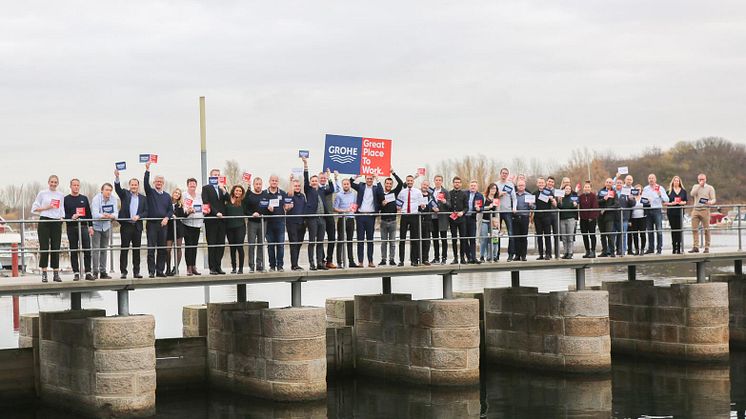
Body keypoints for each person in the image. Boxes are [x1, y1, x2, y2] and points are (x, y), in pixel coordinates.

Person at [32, 175, 66, 283]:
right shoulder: (42, 193)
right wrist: (47, 208)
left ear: (58, 183)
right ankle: (44, 273)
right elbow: (34, 209)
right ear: (48, 182)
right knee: (44, 247)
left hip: (56, 222)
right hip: (44, 221)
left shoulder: (60, 195)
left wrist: (61, 218)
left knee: (56, 247)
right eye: (52, 182)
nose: (53, 184)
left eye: (55, 182)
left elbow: (61, 209)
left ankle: (56, 273)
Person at [115, 169, 148, 279]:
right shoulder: (124, 194)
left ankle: (136, 272)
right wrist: (117, 177)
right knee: (124, 249)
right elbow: (117, 189)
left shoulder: (143, 198)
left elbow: (146, 211)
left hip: (137, 227)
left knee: (136, 250)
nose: (134, 186)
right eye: (132, 185)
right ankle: (123, 272)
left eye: (135, 185)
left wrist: (139, 216)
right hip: (126, 226)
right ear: (129, 186)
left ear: (138, 186)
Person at [143, 162, 173, 278]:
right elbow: (145, 183)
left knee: (162, 249)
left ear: (163, 183)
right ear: (154, 183)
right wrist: (147, 170)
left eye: (160, 182)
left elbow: (170, 210)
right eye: (157, 182)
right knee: (151, 249)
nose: (159, 183)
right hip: (151, 224)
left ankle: (160, 270)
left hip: (163, 224)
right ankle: (151, 271)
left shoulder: (167, 196)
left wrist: (167, 218)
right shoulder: (150, 193)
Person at [350, 174, 382, 268]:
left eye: (371, 179)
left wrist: (377, 179)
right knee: (360, 239)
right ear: (365, 179)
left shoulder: (376, 188)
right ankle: (360, 261)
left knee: (370, 240)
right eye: (368, 178)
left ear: (373, 179)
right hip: (360, 215)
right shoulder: (361, 185)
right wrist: (355, 176)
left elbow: (381, 193)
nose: (369, 180)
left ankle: (370, 261)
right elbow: (351, 183)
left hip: (371, 216)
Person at [63, 178, 93, 281]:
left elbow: (89, 213)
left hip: (84, 227)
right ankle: (76, 272)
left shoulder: (84, 198)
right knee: (74, 250)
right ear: (70, 186)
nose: (76, 187)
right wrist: (71, 217)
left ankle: (88, 272)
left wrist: (91, 226)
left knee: (87, 249)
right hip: (72, 227)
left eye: (77, 185)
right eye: (74, 185)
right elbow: (63, 214)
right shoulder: (66, 199)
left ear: (79, 186)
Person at [302, 158, 328, 271]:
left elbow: (331, 188)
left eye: (315, 181)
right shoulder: (308, 189)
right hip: (312, 219)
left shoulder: (321, 190)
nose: (313, 182)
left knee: (320, 242)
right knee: (312, 241)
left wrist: (329, 176)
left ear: (318, 182)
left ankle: (320, 262)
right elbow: (305, 178)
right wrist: (306, 165)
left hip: (322, 219)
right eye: (312, 181)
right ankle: (312, 263)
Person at [202, 169, 228, 275]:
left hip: (222, 220)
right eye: (214, 175)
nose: (216, 177)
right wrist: (216, 213)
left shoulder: (223, 188)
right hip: (211, 219)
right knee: (212, 244)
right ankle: (212, 268)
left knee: (221, 244)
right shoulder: (206, 188)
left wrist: (224, 190)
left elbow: (229, 199)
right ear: (210, 177)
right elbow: (206, 202)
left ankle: (218, 266)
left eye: (218, 175)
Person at [90, 182, 118, 279]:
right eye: (106, 190)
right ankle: (95, 272)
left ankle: (103, 272)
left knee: (104, 249)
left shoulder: (113, 199)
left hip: (106, 226)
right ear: (102, 190)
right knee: (95, 250)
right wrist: (105, 216)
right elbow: (95, 214)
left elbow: (116, 214)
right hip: (96, 227)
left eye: (110, 190)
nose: (108, 192)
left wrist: (110, 216)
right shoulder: (96, 199)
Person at [397, 175, 424, 266]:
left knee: (414, 239)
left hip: (414, 216)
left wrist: (423, 206)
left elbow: (421, 204)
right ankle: (401, 260)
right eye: (408, 181)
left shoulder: (418, 192)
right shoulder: (402, 192)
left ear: (413, 181)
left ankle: (414, 260)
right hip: (404, 216)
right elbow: (399, 204)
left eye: (411, 181)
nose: (409, 182)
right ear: (406, 181)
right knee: (402, 238)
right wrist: (398, 208)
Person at [377, 172, 403, 266]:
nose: (388, 185)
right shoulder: (380, 194)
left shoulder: (394, 193)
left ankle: (391, 259)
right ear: (384, 184)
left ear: (391, 185)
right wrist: (381, 204)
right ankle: (383, 259)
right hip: (383, 221)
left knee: (392, 242)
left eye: (390, 184)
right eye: (387, 183)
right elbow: (378, 207)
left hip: (393, 221)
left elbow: (400, 183)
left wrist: (393, 173)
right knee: (384, 243)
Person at [265, 175, 288, 271]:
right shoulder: (264, 194)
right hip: (268, 223)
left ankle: (280, 266)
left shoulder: (282, 193)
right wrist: (267, 208)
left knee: (281, 245)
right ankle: (272, 266)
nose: (274, 182)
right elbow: (260, 206)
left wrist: (287, 207)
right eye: (272, 180)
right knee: (270, 246)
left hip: (280, 222)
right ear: (269, 181)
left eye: (276, 181)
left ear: (278, 182)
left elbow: (287, 205)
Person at [244, 177, 267, 272]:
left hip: (263, 222)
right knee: (251, 244)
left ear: (262, 184)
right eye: (256, 184)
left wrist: (270, 209)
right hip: (252, 223)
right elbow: (245, 210)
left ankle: (259, 264)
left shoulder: (266, 195)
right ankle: (251, 265)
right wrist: (251, 214)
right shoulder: (249, 195)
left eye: (260, 184)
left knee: (261, 244)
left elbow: (269, 209)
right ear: (254, 185)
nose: (258, 186)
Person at [333, 178, 358, 268]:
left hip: (351, 219)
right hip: (342, 219)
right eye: (344, 184)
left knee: (350, 241)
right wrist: (344, 211)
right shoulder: (339, 195)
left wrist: (352, 210)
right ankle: (339, 262)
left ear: (350, 185)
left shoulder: (354, 194)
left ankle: (351, 261)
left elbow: (354, 206)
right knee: (340, 240)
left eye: (347, 184)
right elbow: (335, 208)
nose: (346, 185)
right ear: (342, 185)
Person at [642, 174, 670, 254]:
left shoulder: (660, 188)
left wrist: (660, 195)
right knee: (650, 230)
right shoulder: (645, 188)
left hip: (657, 210)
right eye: (649, 178)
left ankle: (659, 248)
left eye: (652, 178)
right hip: (648, 209)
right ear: (648, 180)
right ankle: (651, 248)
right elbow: (642, 200)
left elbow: (667, 200)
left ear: (655, 179)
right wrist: (646, 201)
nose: (651, 179)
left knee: (659, 230)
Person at [689, 173, 716, 253]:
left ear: (706, 179)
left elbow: (714, 199)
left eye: (702, 179)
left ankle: (707, 247)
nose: (701, 181)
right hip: (696, 210)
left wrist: (710, 202)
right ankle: (695, 247)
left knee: (706, 230)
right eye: (699, 179)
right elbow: (692, 194)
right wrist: (699, 186)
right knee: (694, 229)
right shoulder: (695, 186)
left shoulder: (710, 188)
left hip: (705, 210)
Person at [181, 178, 204, 276]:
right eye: (191, 185)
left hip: (197, 224)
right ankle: (189, 267)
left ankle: (194, 266)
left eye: (194, 185)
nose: (192, 187)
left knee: (195, 246)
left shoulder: (199, 196)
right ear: (187, 185)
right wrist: (188, 211)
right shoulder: (184, 195)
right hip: (187, 223)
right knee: (189, 246)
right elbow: (182, 208)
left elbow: (203, 207)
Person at [224, 185, 247, 274]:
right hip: (229, 227)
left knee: (239, 246)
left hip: (240, 226)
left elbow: (249, 195)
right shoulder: (228, 200)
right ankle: (234, 267)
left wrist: (248, 185)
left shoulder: (243, 201)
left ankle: (241, 268)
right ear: (233, 191)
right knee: (232, 248)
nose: (238, 192)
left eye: (240, 191)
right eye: (236, 190)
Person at [496, 168, 518, 261]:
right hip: (497, 212)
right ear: (500, 174)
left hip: (508, 211)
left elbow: (514, 198)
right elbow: (491, 196)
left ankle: (510, 254)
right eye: (503, 173)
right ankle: (496, 254)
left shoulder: (510, 185)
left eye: (506, 173)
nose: (504, 175)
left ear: (507, 175)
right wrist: (498, 195)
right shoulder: (496, 184)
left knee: (511, 233)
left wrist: (514, 208)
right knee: (496, 233)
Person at [318, 170, 338, 269]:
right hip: (321, 216)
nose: (322, 179)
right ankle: (321, 259)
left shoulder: (328, 188)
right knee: (320, 239)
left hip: (329, 216)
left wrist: (330, 177)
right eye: (321, 178)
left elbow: (333, 189)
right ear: (318, 179)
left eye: (324, 178)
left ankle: (329, 260)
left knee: (332, 238)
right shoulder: (316, 189)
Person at [533, 177, 557, 260]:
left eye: (542, 183)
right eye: (539, 183)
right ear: (537, 184)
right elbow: (533, 206)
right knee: (539, 236)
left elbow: (555, 204)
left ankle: (548, 254)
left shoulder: (549, 192)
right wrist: (530, 205)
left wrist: (552, 199)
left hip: (547, 216)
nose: (541, 184)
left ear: (545, 183)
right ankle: (541, 254)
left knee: (547, 236)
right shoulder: (534, 193)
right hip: (537, 217)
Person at [447, 176, 469, 264]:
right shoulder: (449, 193)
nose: (457, 184)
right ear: (453, 183)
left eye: (459, 182)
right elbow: (448, 206)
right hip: (452, 219)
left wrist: (462, 212)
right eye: (455, 182)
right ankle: (455, 258)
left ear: (461, 184)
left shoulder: (464, 194)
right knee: (454, 239)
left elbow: (467, 207)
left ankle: (462, 258)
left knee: (463, 239)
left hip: (462, 219)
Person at [286, 177, 306, 271]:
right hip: (292, 223)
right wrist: (291, 181)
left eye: (298, 186)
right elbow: (290, 193)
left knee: (299, 243)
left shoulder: (302, 196)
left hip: (301, 223)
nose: (297, 187)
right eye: (295, 186)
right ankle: (294, 265)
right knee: (293, 243)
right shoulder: (290, 195)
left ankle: (296, 263)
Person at [430, 175, 450, 264]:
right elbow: (428, 203)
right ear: (434, 181)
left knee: (444, 239)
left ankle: (444, 258)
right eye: (436, 180)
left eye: (439, 180)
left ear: (442, 182)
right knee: (435, 239)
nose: (438, 181)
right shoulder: (431, 191)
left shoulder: (445, 192)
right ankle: (436, 257)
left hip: (442, 218)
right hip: (433, 218)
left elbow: (450, 205)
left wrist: (445, 202)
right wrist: (432, 208)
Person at [614, 178, 636, 257]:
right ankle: (614, 251)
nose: (619, 184)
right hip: (614, 217)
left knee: (623, 234)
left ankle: (622, 251)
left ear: (622, 184)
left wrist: (630, 199)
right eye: (617, 183)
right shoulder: (613, 192)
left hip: (624, 217)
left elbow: (633, 203)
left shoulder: (627, 192)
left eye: (620, 183)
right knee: (613, 234)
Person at [165, 188, 185, 276]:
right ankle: (168, 268)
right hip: (169, 228)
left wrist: (188, 212)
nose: (177, 194)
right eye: (176, 192)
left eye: (178, 193)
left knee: (178, 248)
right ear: (172, 193)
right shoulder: (167, 202)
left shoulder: (180, 205)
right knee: (167, 249)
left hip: (178, 228)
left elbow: (182, 215)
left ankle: (176, 268)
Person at [463, 180, 484, 264]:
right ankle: (469, 257)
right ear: (469, 186)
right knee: (464, 239)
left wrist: (479, 209)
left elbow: (482, 207)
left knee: (472, 238)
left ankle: (474, 257)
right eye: (471, 185)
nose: (473, 187)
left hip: (472, 218)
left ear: (477, 187)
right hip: (464, 218)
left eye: (474, 186)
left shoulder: (479, 195)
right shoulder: (465, 194)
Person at [666, 176, 688, 254]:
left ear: (679, 182)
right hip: (671, 212)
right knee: (673, 229)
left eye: (677, 181)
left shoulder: (683, 191)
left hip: (680, 212)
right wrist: (671, 203)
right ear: (672, 182)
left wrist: (681, 203)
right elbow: (665, 202)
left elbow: (685, 201)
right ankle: (674, 247)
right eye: (675, 181)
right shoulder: (668, 191)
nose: (676, 182)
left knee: (679, 230)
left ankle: (679, 247)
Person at [597, 178, 619, 257]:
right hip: (600, 216)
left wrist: (607, 209)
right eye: (607, 182)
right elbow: (596, 202)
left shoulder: (614, 192)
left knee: (609, 234)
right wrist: (603, 199)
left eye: (610, 182)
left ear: (612, 184)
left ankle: (612, 251)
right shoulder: (600, 191)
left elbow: (616, 204)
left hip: (609, 216)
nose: (608, 183)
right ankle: (604, 251)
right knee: (602, 235)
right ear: (605, 183)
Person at [578, 181, 599, 258]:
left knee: (592, 235)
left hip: (591, 219)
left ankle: (593, 251)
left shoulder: (593, 196)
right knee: (584, 235)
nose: (586, 188)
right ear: (583, 188)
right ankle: (587, 251)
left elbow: (595, 207)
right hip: (583, 218)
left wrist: (591, 217)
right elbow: (576, 202)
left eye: (588, 187)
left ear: (590, 188)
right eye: (585, 187)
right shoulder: (581, 196)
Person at [513, 180, 532, 261]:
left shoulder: (529, 195)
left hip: (525, 217)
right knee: (516, 237)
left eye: (522, 185)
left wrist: (531, 205)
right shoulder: (514, 195)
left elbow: (534, 207)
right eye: (519, 185)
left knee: (524, 237)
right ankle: (517, 255)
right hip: (515, 217)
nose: (521, 187)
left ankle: (523, 255)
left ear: (525, 186)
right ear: (517, 186)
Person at [558, 184, 579, 259]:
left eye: (569, 189)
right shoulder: (561, 198)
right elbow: (559, 206)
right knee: (564, 237)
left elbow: (575, 206)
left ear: (571, 190)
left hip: (571, 219)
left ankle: (570, 252)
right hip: (562, 219)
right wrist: (559, 201)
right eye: (566, 189)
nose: (567, 190)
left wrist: (575, 205)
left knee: (570, 236)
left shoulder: (573, 197)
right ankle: (565, 252)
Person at [479, 183, 498, 262]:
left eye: (495, 188)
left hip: (493, 222)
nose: (493, 190)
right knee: (484, 239)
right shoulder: (484, 197)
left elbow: (497, 211)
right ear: (489, 189)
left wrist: (497, 223)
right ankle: (482, 256)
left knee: (494, 239)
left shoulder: (496, 199)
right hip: (484, 221)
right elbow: (480, 208)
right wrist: (488, 207)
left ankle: (493, 256)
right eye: (492, 188)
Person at [629, 184, 647, 255]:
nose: (638, 191)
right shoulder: (632, 198)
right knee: (635, 235)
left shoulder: (643, 198)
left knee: (642, 234)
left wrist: (649, 201)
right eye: (636, 189)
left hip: (642, 217)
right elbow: (629, 206)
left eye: (639, 189)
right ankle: (637, 249)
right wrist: (630, 198)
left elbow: (648, 206)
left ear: (641, 191)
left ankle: (642, 249)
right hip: (633, 218)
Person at [419, 181, 434, 265]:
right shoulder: (417, 194)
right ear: (421, 185)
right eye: (424, 184)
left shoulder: (431, 196)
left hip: (428, 221)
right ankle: (417, 258)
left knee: (427, 241)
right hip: (418, 220)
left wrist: (435, 208)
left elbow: (434, 205)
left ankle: (426, 259)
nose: (425, 186)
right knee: (417, 240)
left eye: (427, 185)